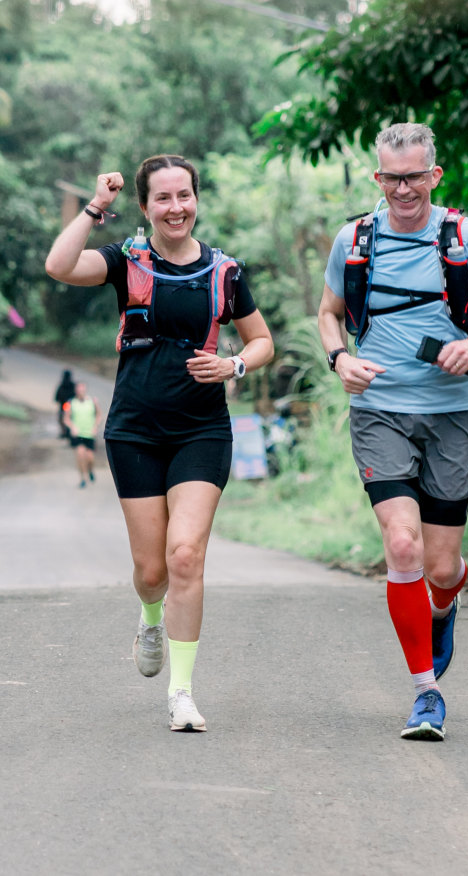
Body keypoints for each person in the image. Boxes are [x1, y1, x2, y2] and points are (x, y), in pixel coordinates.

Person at [319, 123, 468, 741]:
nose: (404, 189)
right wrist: (340, 360)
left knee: (441, 568)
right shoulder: (354, 238)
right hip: (380, 408)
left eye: (415, 176)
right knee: (403, 544)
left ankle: (444, 605)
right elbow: (329, 313)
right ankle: (426, 692)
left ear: (434, 176)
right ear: (378, 179)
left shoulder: (462, 236)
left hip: (452, 415)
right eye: (392, 178)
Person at [45, 154, 274, 732]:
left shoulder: (225, 272)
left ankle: (182, 692)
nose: (176, 208)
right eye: (163, 199)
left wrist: (236, 366)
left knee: (185, 555)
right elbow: (59, 265)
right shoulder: (126, 261)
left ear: (197, 199)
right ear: (145, 208)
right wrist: (96, 207)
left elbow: (262, 340)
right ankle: (150, 616)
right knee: (152, 570)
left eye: (185, 196)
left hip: (202, 430)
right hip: (135, 430)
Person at [62, 381, 101, 488]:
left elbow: (99, 415)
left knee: (90, 458)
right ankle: (83, 478)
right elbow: (66, 419)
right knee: (80, 455)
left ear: (85, 390)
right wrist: (72, 427)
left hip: (89, 434)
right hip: (78, 434)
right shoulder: (71, 403)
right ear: (76, 391)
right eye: (79, 390)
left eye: (82, 389)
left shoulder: (93, 401)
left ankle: (90, 470)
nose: (81, 391)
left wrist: (95, 427)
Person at [54, 369, 76, 438]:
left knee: (63, 419)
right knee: (67, 419)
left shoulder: (62, 385)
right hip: (69, 406)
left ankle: (65, 432)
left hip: (65, 406)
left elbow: (56, 398)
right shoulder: (72, 385)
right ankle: (66, 432)